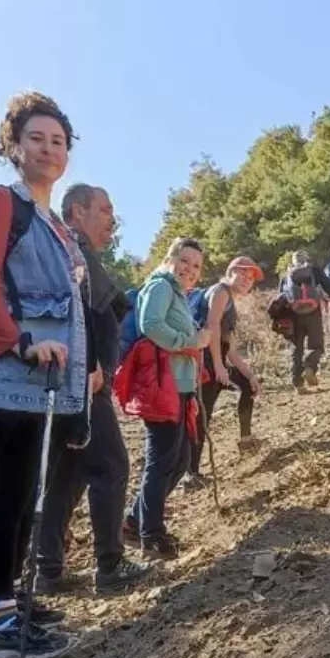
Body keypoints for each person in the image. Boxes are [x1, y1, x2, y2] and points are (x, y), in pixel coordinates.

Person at [0, 91, 95, 658]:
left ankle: (15, 606)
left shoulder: (55, 224)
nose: (47, 148)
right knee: (7, 496)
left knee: (23, 496)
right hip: (14, 370)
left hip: (50, 377)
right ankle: (0, 626)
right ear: (13, 146)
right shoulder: (0, 203)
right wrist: (18, 342)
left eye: (57, 141)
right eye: (36, 138)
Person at [35, 184, 150, 596]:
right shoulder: (71, 251)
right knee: (111, 466)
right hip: (84, 382)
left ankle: (47, 571)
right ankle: (111, 565)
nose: (111, 219)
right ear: (77, 212)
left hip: (66, 381)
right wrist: (95, 366)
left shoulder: (66, 251)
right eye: (105, 209)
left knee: (67, 476)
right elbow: (80, 313)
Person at [123, 238, 210, 556]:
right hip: (163, 387)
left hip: (179, 386)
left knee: (180, 460)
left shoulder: (178, 293)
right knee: (161, 462)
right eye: (184, 260)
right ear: (170, 258)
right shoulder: (160, 286)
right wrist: (189, 341)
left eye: (196, 265)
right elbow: (150, 325)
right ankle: (152, 536)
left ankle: (135, 520)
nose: (190, 269)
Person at [193, 255, 265, 478]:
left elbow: (230, 348)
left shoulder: (230, 300)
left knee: (249, 387)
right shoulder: (221, 291)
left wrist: (250, 375)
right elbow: (211, 326)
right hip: (203, 363)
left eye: (251, 276)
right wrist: (216, 366)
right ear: (230, 272)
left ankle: (246, 440)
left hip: (216, 361)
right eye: (242, 272)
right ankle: (191, 473)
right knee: (202, 416)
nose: (247, 279)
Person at [281, 250, 330, 392]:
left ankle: (298, 384)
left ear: (293, 261)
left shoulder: (286, 275)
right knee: (317, 345)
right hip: (313, 313)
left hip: (294, 315)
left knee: (296, 348)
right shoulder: (314, 271)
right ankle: (310, 366)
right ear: (306, 259)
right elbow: (329, 287)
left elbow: (281, 297)